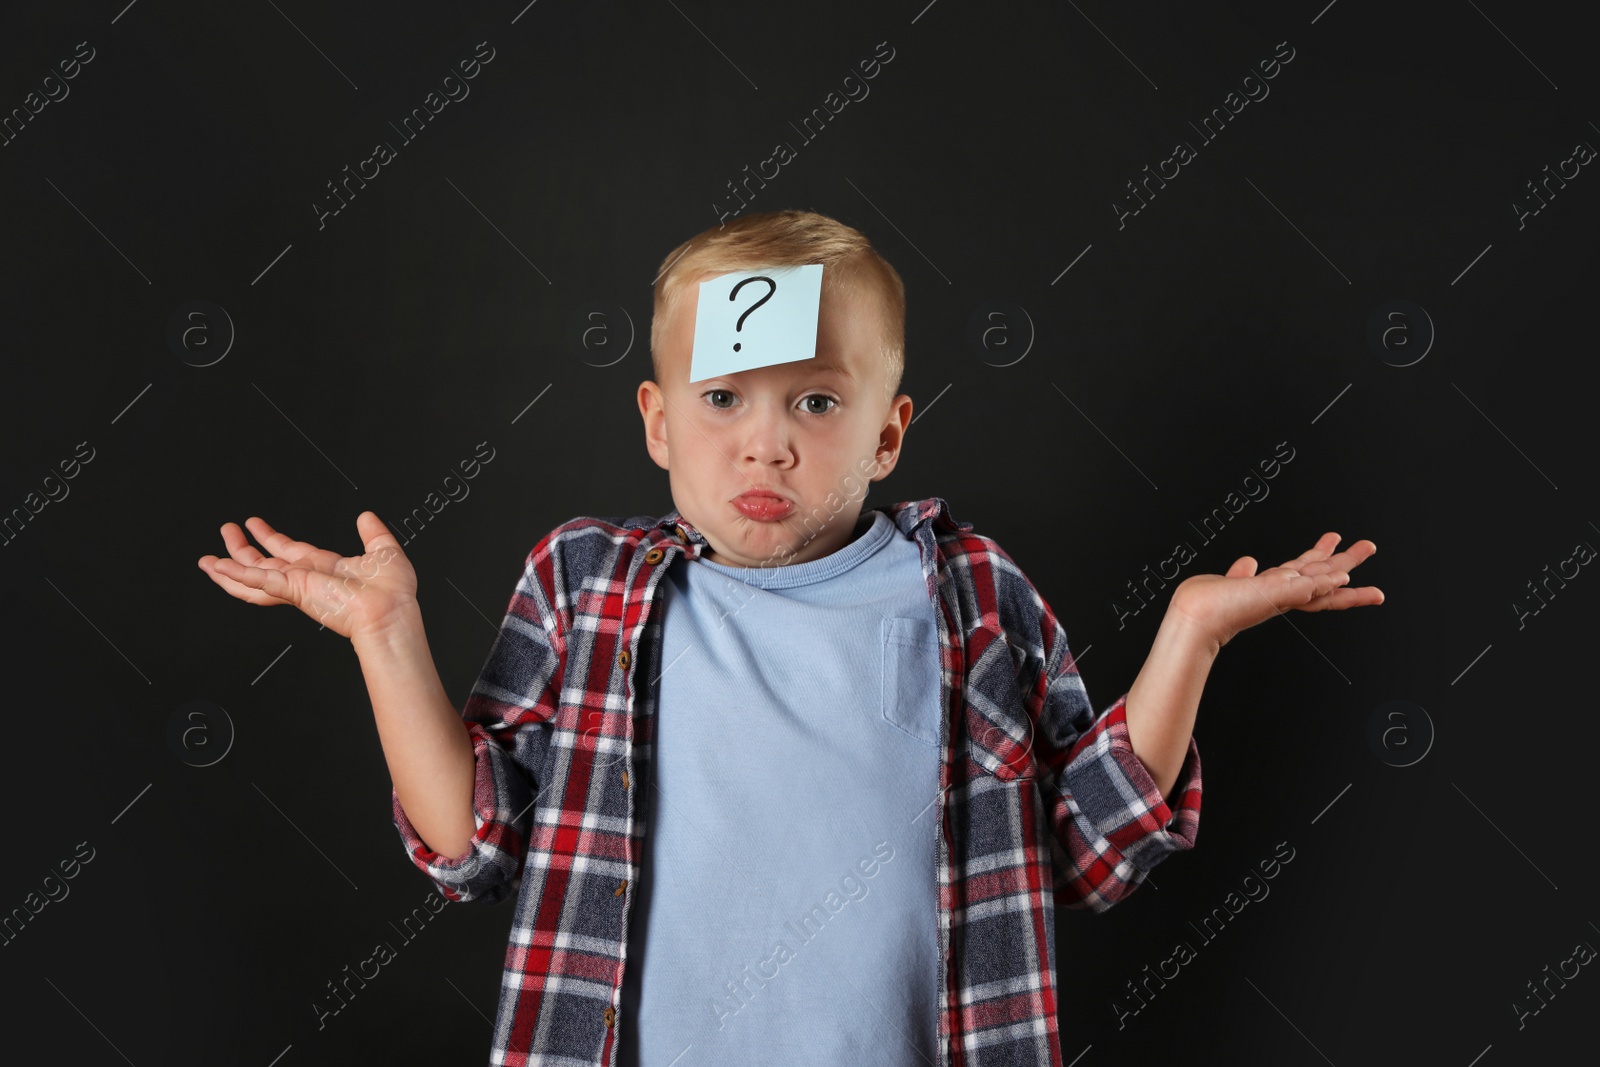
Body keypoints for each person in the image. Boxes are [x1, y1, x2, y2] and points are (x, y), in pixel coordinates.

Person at [197, 209, 1383, 1066]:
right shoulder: (584, 582)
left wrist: (1189, 637)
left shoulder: (968, 589)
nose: (765, 444)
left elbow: (1085, 850)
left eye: (816, 400)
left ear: (887, 432)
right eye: (723, 399)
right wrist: (385, 633)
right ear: (658, 421)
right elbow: (472, 844)